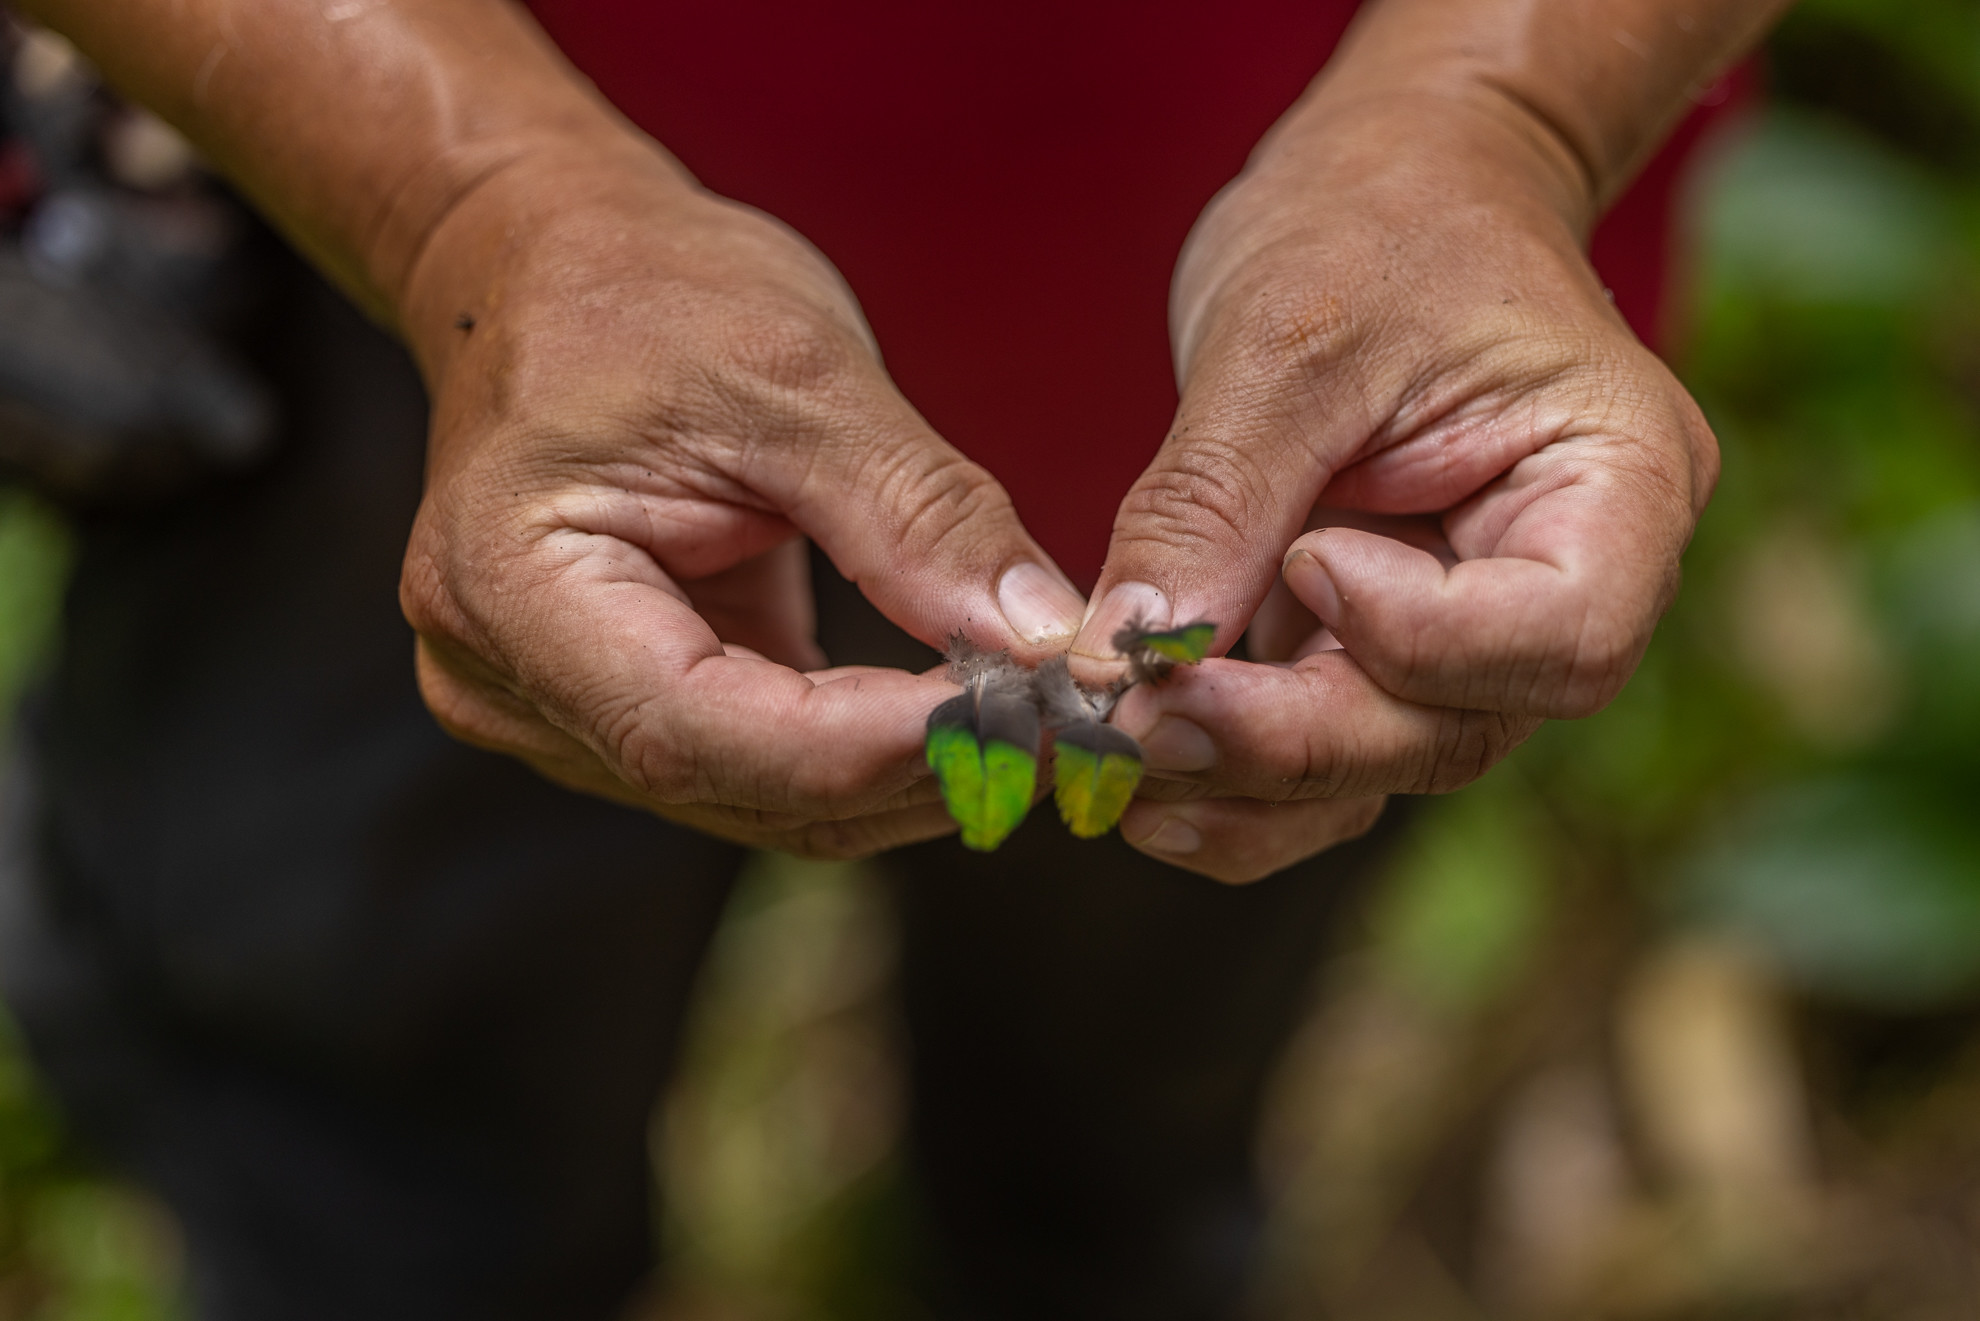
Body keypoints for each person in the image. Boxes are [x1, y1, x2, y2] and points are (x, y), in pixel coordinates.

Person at [0, 0, 1787, 1317]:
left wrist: (1505, 105)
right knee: (364, 1110)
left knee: (1127, 1090)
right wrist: (460, 204)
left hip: (1370, 413)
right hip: (426, 342)